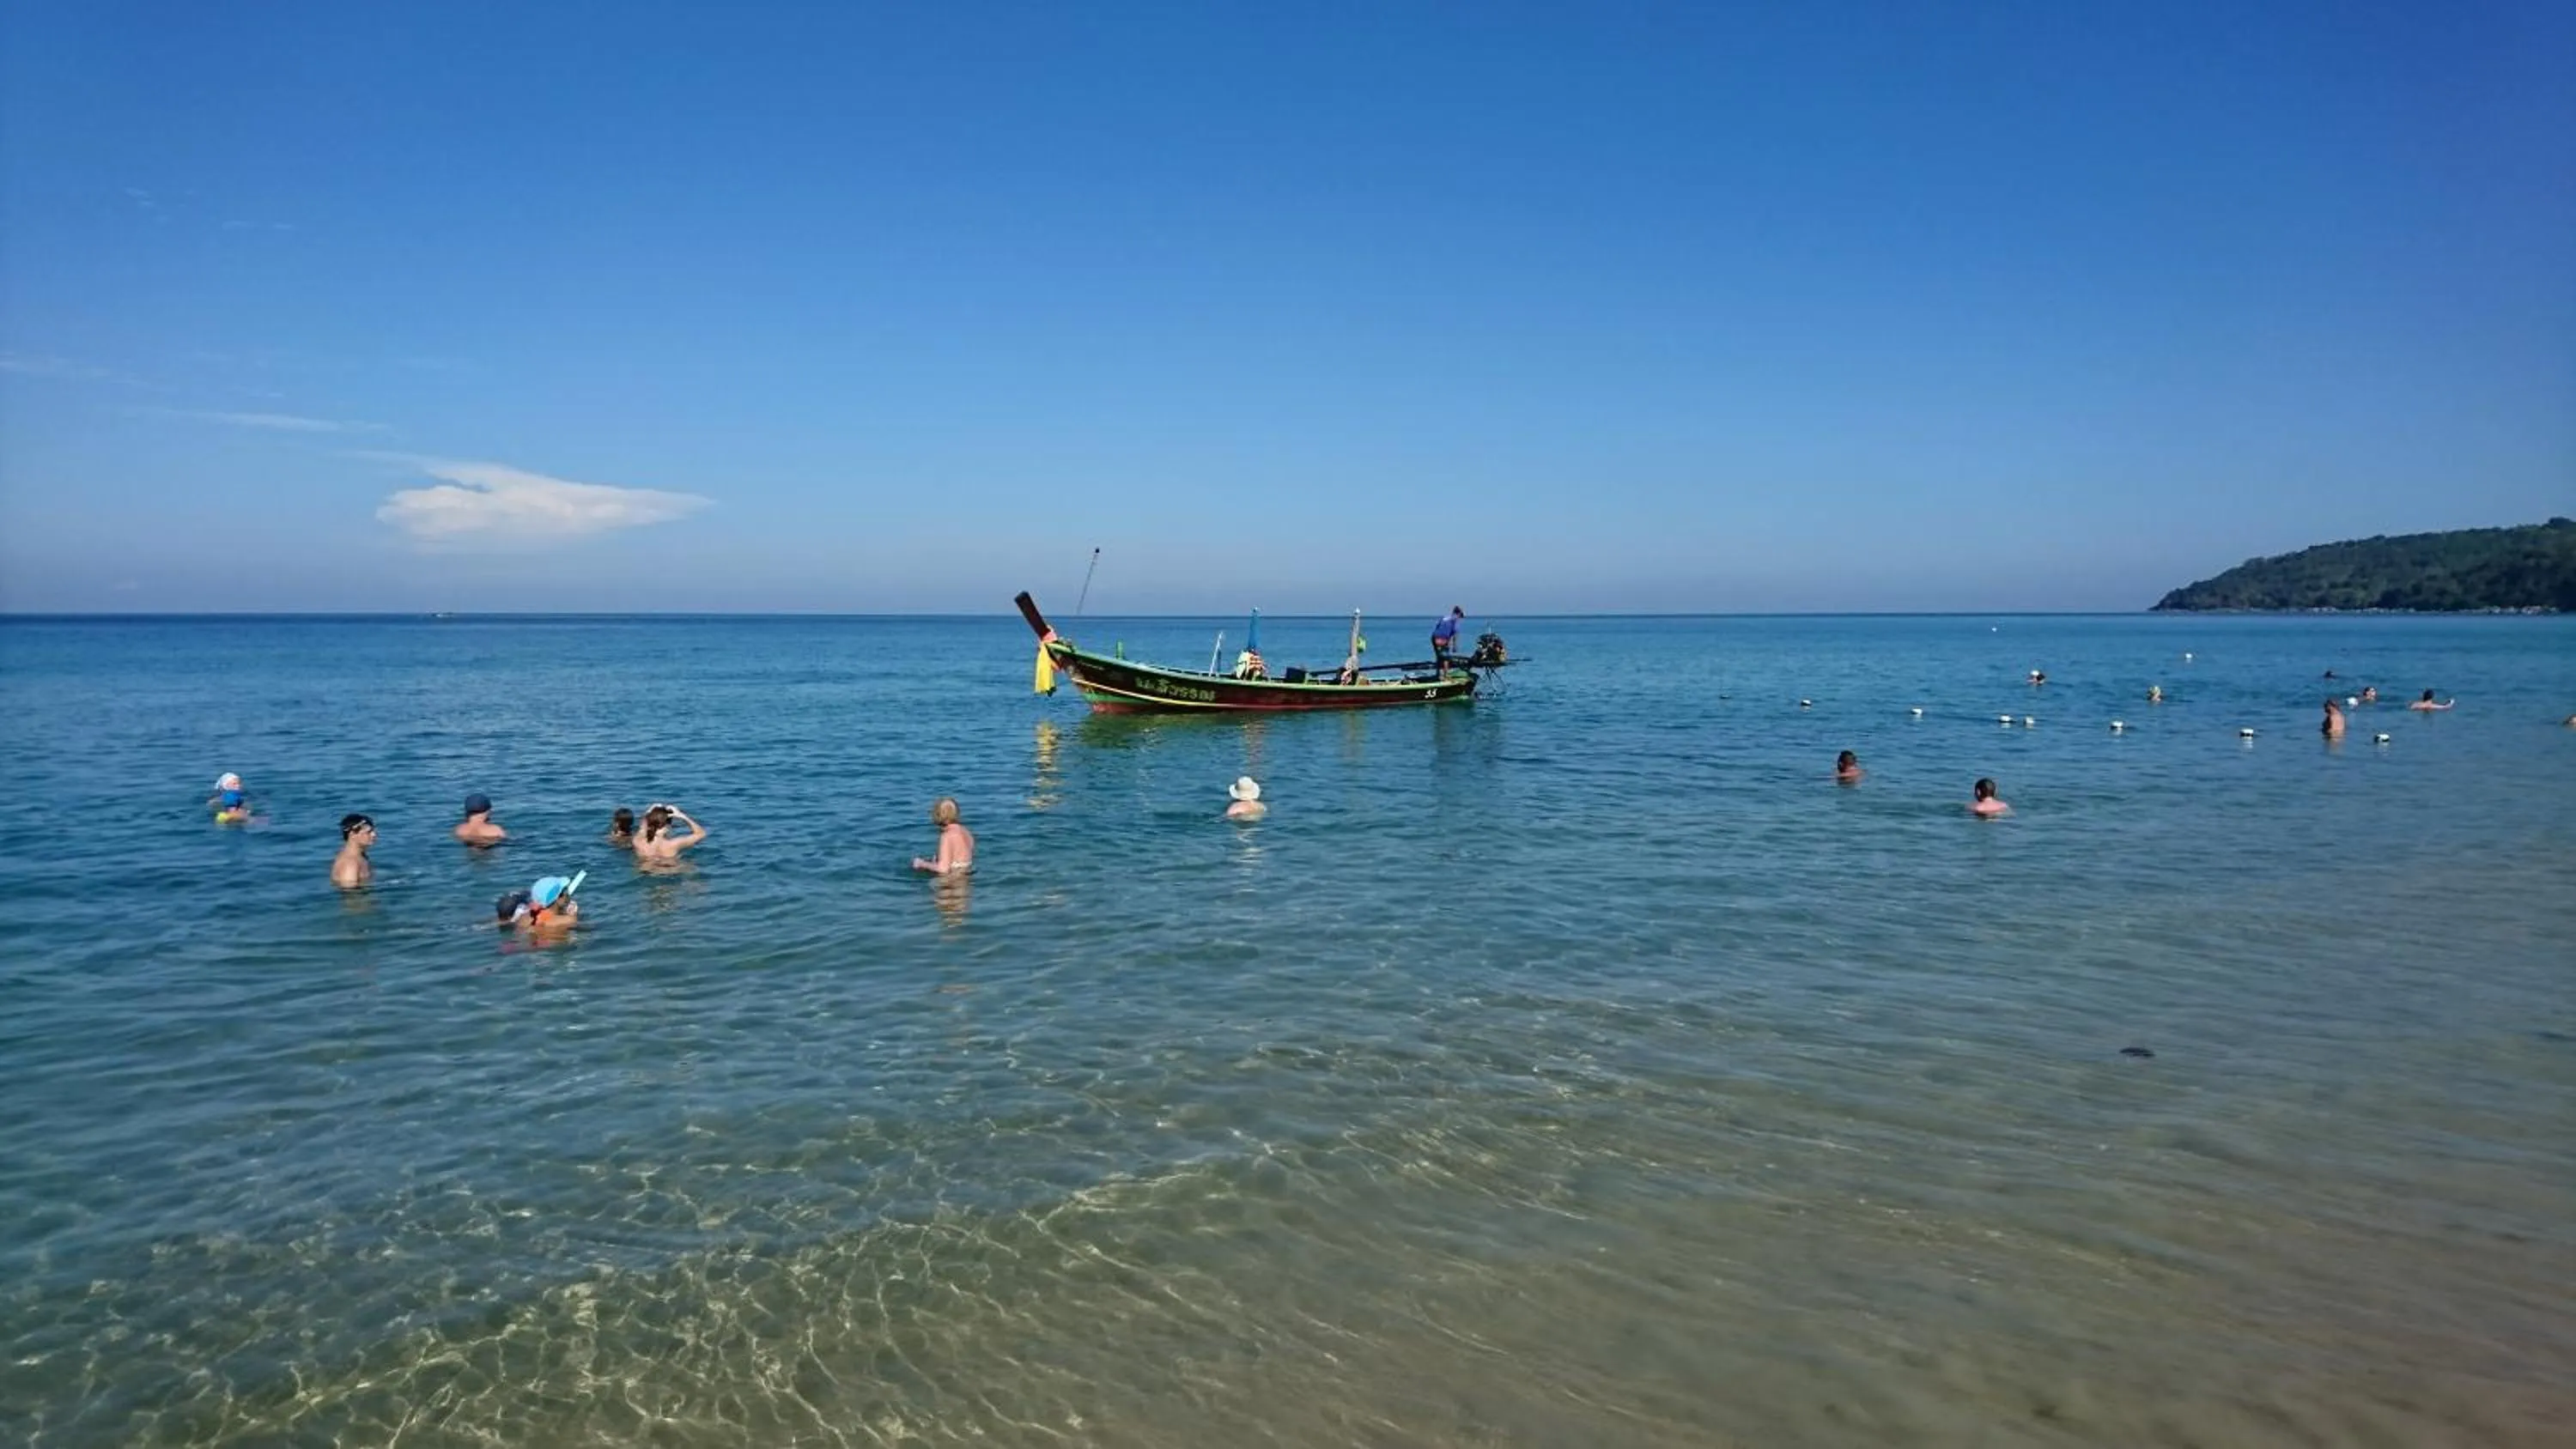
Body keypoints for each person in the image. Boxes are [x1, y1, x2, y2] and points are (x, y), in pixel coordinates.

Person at [495, 875, 580, 934]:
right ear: (559, 898)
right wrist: (573, 915)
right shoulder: (568, 920)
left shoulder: (524, 917)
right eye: (564, 890)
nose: (566, 893)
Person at [914, 797, 975, 876]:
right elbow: (961, 858)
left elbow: (943, 869)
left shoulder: (947, 836)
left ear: (937, 815)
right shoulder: (965, 831)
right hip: (966, 879)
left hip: (949, 882)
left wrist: (922, 863)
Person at [632, 803, 708, 864]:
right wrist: (682, 816)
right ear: (668, 826)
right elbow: (701, 834)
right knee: (690, 866)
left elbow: (642, 827)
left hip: (646, 871)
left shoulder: (637, 841)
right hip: (669, 873)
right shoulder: (674, 844)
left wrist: (649, 812)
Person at [331, 814, 375, 888]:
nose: (374, 834)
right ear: (352, 835)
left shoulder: (360, 855)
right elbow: (350, 896)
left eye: (373, 831)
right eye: (369, 832)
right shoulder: (350, 865)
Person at [1431, 606, 1466, 670]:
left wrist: (1448, 641)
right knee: (1446, 658)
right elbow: (1455, 634)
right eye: (1461, 616)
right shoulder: (1455, 620)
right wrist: (1455, 646)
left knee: (1439, 657)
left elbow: (1438, 628)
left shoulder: (1445, 618)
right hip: (1442, 639)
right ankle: (1446, 676)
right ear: (1459, 614)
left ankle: (1438, 674)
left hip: (1434, 637)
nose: (1460, 618)